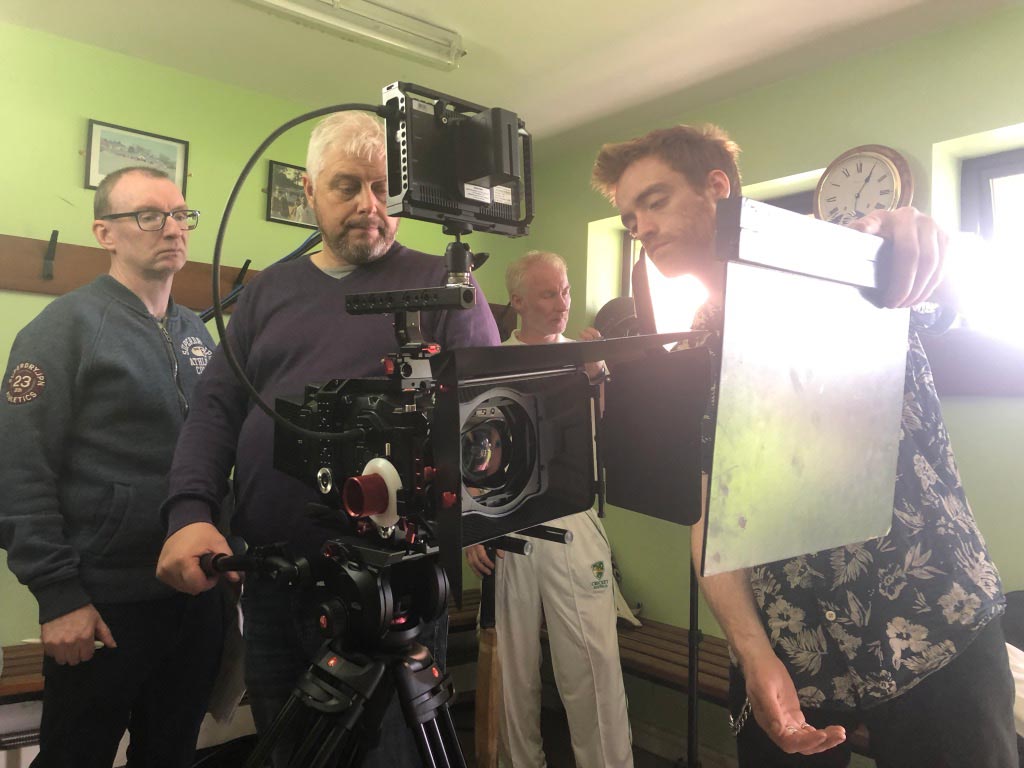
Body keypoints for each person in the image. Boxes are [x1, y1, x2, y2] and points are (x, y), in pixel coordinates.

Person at [591, 125, 1017, 768]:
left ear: (716, 187)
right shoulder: (695, 348)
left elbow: (935, 278)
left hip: (936, 625)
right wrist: (752, 650)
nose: (641, 227)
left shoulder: (845, 268)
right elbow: (710, 519)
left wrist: (915, 234)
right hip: (790, 646)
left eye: (654, 201)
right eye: (629, 217)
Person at [154, 111, 500, 767]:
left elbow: (489, 426)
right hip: (275, 579)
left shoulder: (449, 289)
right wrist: (190, 514)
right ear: (308, 193)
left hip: (391, 595)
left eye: (383, 190)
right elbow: (217, 409)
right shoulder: (266, 294)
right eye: (347, 186)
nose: (370, 208)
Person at [0, 166, 223, 768]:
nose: (171, 228)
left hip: (194, 593)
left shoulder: (197, 335)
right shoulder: (62, 328)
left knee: (172, 753)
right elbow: (18, 469)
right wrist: (57, 595)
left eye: (180, 214)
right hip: (102, 606)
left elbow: (217, 453)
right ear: (105, 232)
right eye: (149, 215)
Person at [465, 250, 634, 768]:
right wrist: (470, 531)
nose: (561, 303)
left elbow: (606, 435)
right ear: (517, 300)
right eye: (547, 293)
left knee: (593, 662)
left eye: (563, 291)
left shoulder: (586, 359)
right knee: (512, 670)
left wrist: (595, 373)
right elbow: (469, 446)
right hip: (507, 524)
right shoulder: (491, 359)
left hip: (573, 517)